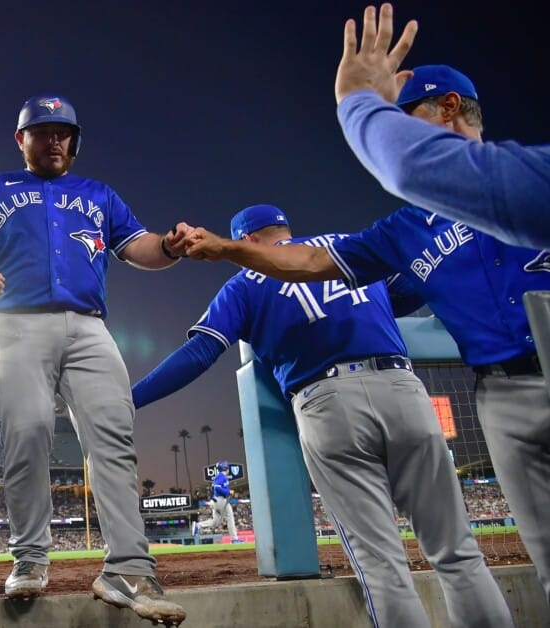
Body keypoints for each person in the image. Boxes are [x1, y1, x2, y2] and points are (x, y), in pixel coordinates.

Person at [185, 68, 550, 609]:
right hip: (500, 394)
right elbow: (311, 262)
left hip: (343, 402)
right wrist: (227, 250)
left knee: (410, 562)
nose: (395, 137)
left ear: (449, 107)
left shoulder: (528, 176)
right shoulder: (403, 230)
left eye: (403, 119)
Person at [137, 204, 513, 627]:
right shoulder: (344, 249)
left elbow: (200, 352)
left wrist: (130, 400)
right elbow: (417, 285)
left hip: (327, 402)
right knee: (458, 553)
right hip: (402, 388)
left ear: (245, 242)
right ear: (284, 229)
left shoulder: (243, 281)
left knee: (383, 566)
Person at [0, 94, 187, 625]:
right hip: (14, 322)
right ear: (22, 139)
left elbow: (138, 246)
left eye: (64, 132)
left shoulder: (98, 193)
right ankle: (30, 558)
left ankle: (127, 567)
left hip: (88, 326)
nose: (55, 140)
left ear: (74, 142)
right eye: (43, 131)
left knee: (114, 434)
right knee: (28, 430)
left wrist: (169, 246)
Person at [334, 3, 550, 250]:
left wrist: (358, 97)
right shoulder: (412, 224)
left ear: (449, 107)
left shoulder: (522, 184)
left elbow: (407, 165)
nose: (400, 130)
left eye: (404, 118)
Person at [194, 460, 238, 542]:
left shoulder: (218, 476)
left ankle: (198, 525)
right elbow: (217, 487)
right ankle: (235, 539)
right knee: (230, 517)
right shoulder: (222, 476)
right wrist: (228, 492)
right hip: (220, 500)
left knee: (216, 522)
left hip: (216, 501)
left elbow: (213, 487)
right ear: (226, 468)